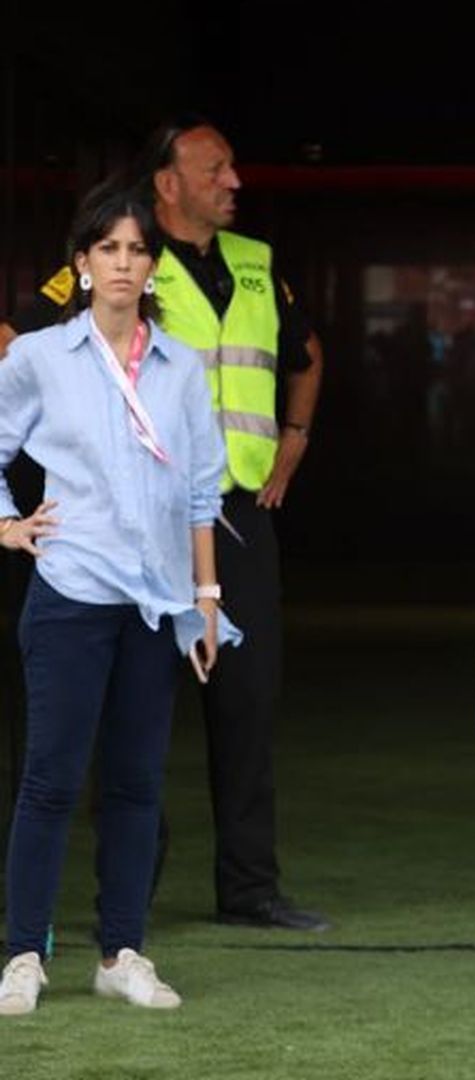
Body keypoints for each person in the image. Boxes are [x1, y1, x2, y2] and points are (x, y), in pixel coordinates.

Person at [1, 116, 328, 932]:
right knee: (102, 732)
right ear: (168, 182)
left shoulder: (257, 265)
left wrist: (294, 442)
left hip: (230, 515)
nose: (235, 182)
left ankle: (246, 887)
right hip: (119, 537)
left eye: (232, 169)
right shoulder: (106, 276)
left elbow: (307, 354)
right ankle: (117, 902)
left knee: (246, 705)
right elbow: (22, 337)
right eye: (215, 168)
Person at [0, 183, 238, 1016]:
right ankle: (24, 953)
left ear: (151, 264)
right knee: (50, 781)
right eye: (110, 250)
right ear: (83, 263)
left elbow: (205, 493)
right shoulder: (39, 357)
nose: (125, 264)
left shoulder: (180, 369)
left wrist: (206, 598)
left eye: (138, 251)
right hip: (68, 592)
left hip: (157, 602)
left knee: (136, 784)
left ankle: (121, 951)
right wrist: (8, 522)